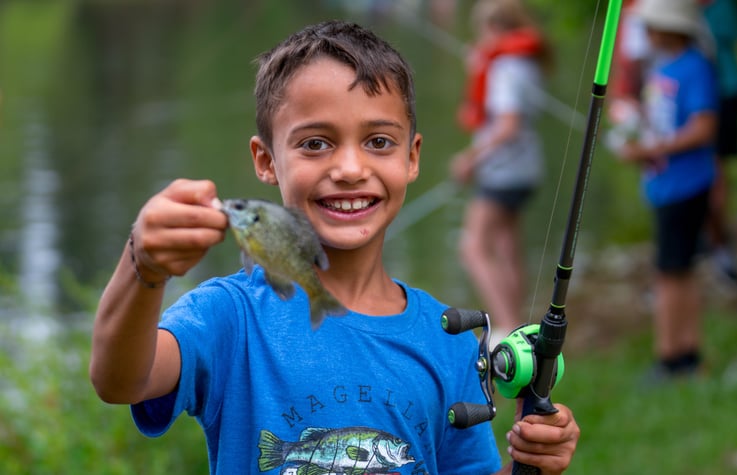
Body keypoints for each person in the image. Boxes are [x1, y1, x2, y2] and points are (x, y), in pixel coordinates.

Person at [89, 20, 579, 474]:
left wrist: (533, 463)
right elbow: (120, 380)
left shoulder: (447, 341)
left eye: (379, 142)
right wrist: (143, 265)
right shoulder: (230, 316)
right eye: (315, 144)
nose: (349, 168)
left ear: (413, 157)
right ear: (265, 160)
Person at [618, 0, 718, 382]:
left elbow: (704, 127)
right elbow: (662, 119)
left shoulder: (694, 67)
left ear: (670, 30)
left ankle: (671, 358)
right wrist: (634, 132)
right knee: (677, 269)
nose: (645, 34)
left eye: (652, 27)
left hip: (686, 186)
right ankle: (686, 355)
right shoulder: (662, 69)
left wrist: (653, 149)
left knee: (670, 272)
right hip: (664, 187)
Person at [451, 0, 551, 341]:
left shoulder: (505, 69)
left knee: (473, 246)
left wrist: (471, 157)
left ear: (493, 29)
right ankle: (519, 324)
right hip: (527, 169)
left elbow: (507, 125)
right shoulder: (523, 63)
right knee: (508, 243)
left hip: (503, 172)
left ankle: (505, 328)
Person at [701, 0, 737, 287]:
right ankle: (708, 242)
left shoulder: (721, 8)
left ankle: (720, 246)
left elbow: (725, 39)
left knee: (715, 173)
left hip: (723, 94)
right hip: (697, 100)